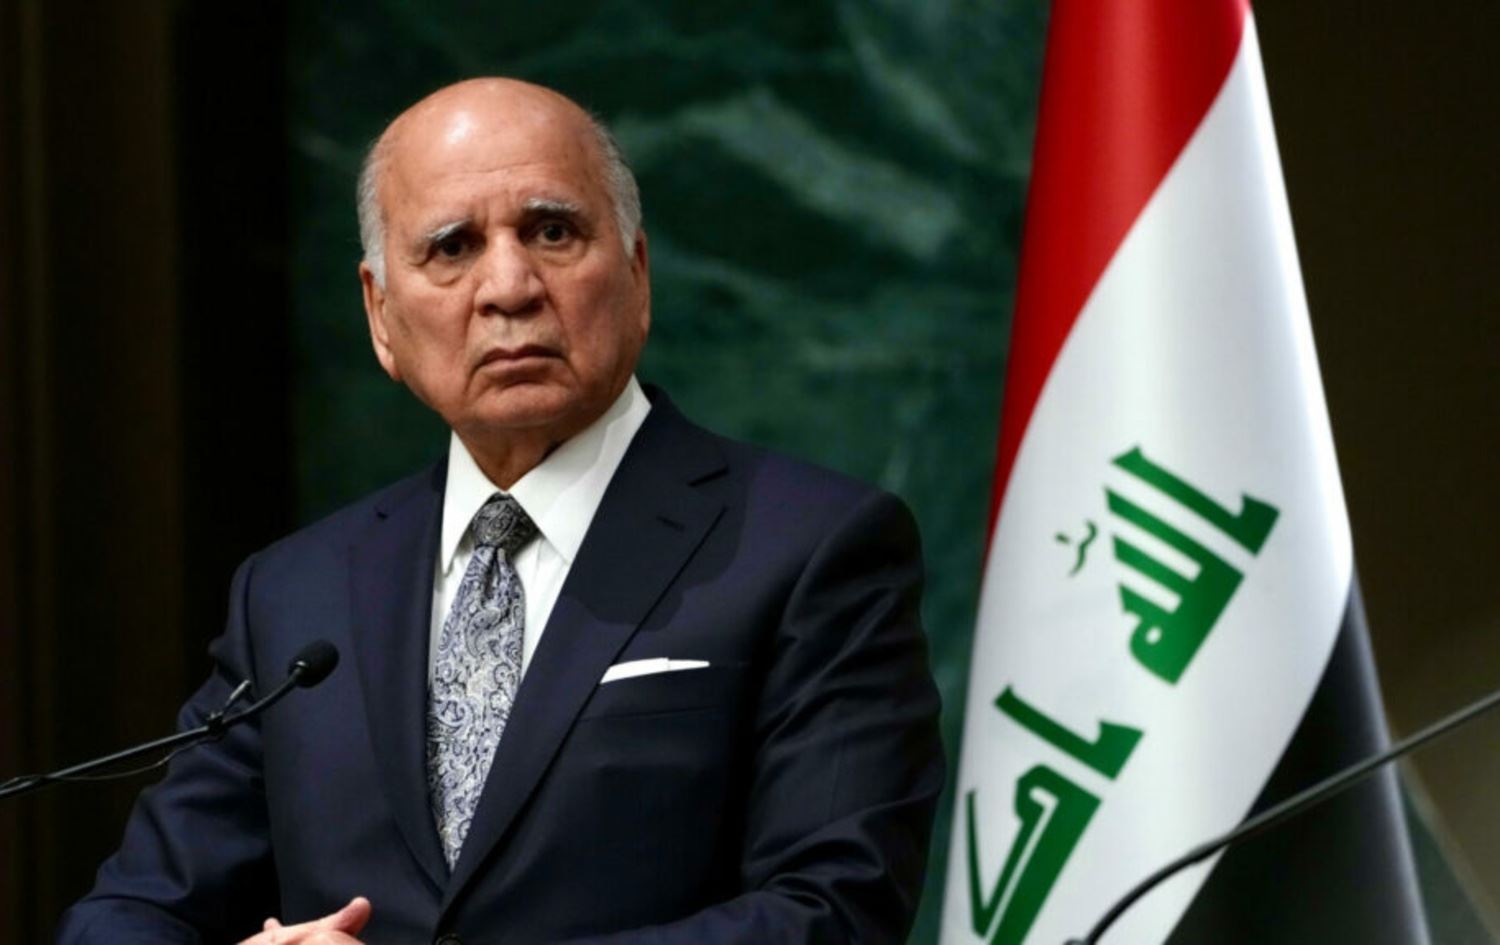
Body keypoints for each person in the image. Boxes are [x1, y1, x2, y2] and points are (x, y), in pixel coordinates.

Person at [58, 77, 944, 945]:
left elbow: (836, 908)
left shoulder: (810, 547)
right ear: (379, 315)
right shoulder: (293, 594)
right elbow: (129, 911)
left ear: (637, 274)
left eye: (553, 231)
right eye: (452, 247)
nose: (509, 286)